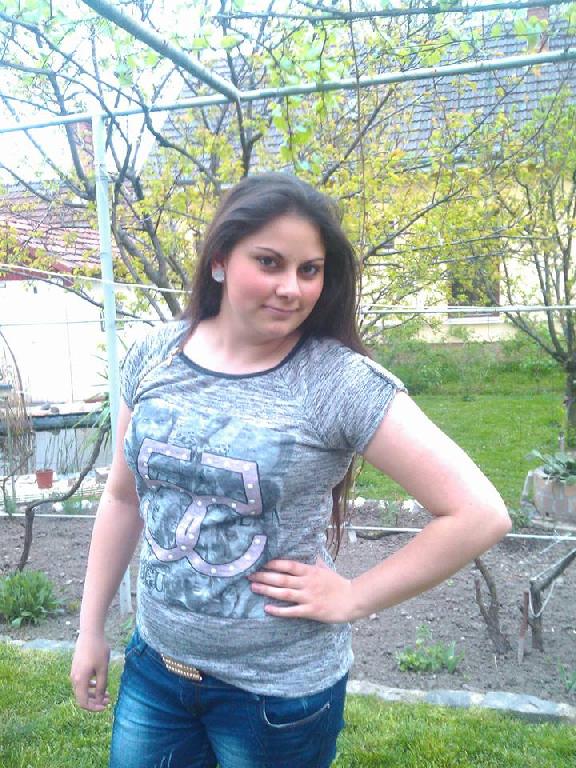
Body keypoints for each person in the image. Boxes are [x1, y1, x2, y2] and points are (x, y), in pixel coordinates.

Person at [70, 172, 511, 768]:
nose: (291, 288)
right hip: (157, 668)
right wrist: (90, 629)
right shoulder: (155, 354)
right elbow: (124, 499)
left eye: (310, 270)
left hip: (277, 696)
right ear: (220, 259)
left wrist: (353, 596)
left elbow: (479, 513)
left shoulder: (337, 382)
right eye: (269, 262)